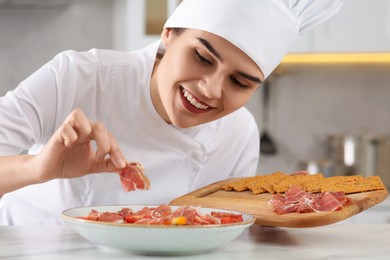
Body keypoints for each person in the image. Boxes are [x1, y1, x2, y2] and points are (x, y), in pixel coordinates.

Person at [0, 0, 344, 225]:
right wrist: (37, 168)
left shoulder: (239, 134)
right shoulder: (78, 75)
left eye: (239, 82)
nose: (210, 89)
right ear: (169, 34)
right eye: (203, 57)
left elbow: (223, 232)